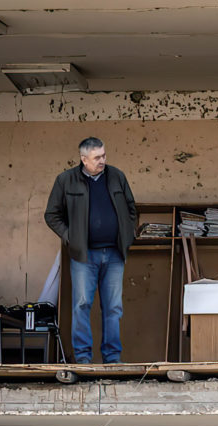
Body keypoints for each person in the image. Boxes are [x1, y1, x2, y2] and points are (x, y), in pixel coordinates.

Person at [44, 137, 138, 364]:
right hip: (84, 255)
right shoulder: (66, 180)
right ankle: (84, 359)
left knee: (113, 307)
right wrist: (71, 238)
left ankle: (112, 359)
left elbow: (131, 209)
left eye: (104, 155)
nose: (102, 161)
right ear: (83, 159)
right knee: (81, 305)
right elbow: (52, 215)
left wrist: (128, 235)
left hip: (115, 254)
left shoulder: (117, 176)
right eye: (97, 157)